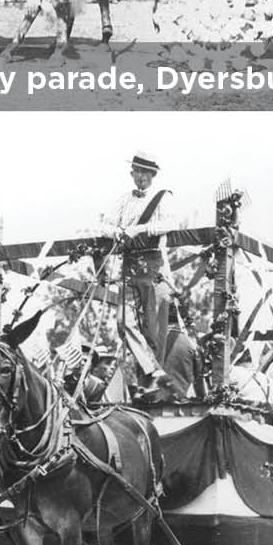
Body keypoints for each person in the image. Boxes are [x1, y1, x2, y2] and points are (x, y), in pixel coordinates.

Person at [98, 153, 181, 393]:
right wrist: (118, 232)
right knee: (123, 322)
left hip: (155, 267)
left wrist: (142, 229)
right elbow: (104, 225)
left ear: (153, 175)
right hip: (129, 268)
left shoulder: (163, 199)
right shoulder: (124, 200)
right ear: (131, 173)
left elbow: (174, 223)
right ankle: (154, 371)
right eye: (137, 171)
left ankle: (151, 384)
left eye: (146, 172)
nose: (141, 176)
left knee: (153, 330)